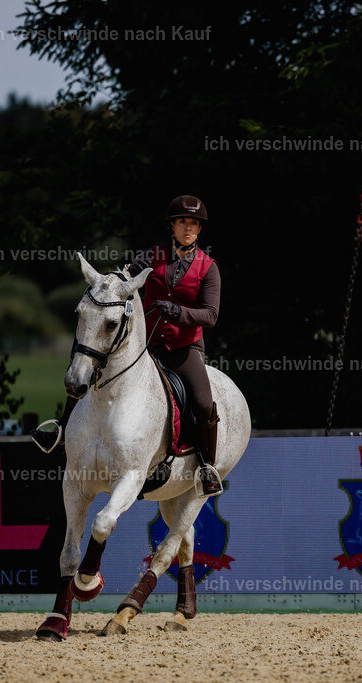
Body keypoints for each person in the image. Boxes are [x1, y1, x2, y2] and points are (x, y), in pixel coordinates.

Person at [125, 195, 222, 496]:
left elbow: (211, 315)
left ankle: (207, 466)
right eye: (183, 222)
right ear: (173, 226)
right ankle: (63, 431)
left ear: (199, 230)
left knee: (204, 403)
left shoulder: (209, 268)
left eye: (194, 223)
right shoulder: (152, 256)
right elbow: (127, 277)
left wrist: (178, 312)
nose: (188, 228)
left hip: (184, 349)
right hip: (148, 344)